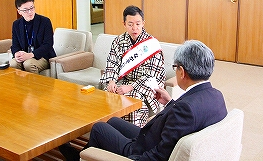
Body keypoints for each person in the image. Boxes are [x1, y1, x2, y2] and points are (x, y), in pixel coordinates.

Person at [59, 40, 227, 161]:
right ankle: (90, 153)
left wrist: (132, 157)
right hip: (153, 136)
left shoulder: (185, 110)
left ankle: (84, 157)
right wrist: (169, 103)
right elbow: (187, 118)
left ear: (182, 72)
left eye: (175, 68)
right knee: (113, 121)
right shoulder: (216, 96)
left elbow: (160, 156)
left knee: (99, 128)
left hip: (143, 150)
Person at [100, 5, 166, 127]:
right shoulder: (118, 41)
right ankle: (110, 132)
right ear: (124, 24)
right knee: (107, 94)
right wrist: (111, 81)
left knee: (131, 98)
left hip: (146, 85)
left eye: (138, 24)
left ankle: (134, 134)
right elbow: (112, 63)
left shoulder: (151, 44)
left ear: (143, 23)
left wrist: (130, 87)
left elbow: (151, 75)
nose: (134, 28)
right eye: (130, 24)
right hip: (124, 80)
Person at [9, 0, 56, 74]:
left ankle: (35, 87)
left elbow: (48, 45)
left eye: (32, 8)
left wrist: (31, 55)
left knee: (28, 64)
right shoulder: (16, 24)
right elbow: (15, 45)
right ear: (19, 11)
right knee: (13, 63)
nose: (30, 12)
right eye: (26, 10)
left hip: (42, 56)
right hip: (25, 55)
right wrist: (16, 53)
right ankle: (19, 86)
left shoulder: (45, 21)